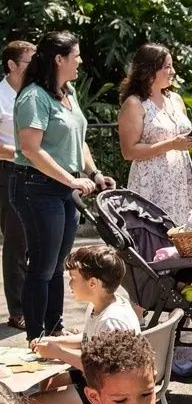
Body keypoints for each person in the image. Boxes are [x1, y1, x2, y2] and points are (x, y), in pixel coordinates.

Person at [10, 31, 114, 342]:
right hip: (36, 187)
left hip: (64, 190)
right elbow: (31, 149)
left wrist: (93, 173)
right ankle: (37, 337)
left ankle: (53, 330)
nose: (80, 61)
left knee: (57, 266)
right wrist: (70, 180)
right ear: (59, 59)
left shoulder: (67, 92)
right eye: (76, 56)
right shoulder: (33, 97)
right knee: (42, 266)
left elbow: (78, 141)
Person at [30, 245, 141, 404]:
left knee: (33, 403)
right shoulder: (101, 305)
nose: (70, 284)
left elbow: (103, 368)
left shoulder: (112, 321)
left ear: (93, 283)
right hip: (98, 380)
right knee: (49, 382)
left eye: (73, 278)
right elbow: (88, 338)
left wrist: (58, 353)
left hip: (113, 394)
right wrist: (54, 341)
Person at [119, 44, 192, 225]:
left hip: (181, 181)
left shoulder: (175, 99)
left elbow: (182, 138)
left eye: (172, 65)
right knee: (155, 235)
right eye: (167, 66)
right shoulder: (135, 104)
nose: (172, 71)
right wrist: (170, 145)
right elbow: (128, 152)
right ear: (149, 70)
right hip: (152, 183)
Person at [0, 39, 36, 329]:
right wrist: (26, 154)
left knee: (39, 241)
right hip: (9, 170)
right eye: (29, 62)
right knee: (16, 241)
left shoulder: (35, 93)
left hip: (38, 170)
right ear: (12, 65)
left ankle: (37, 303)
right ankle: (17, 310)